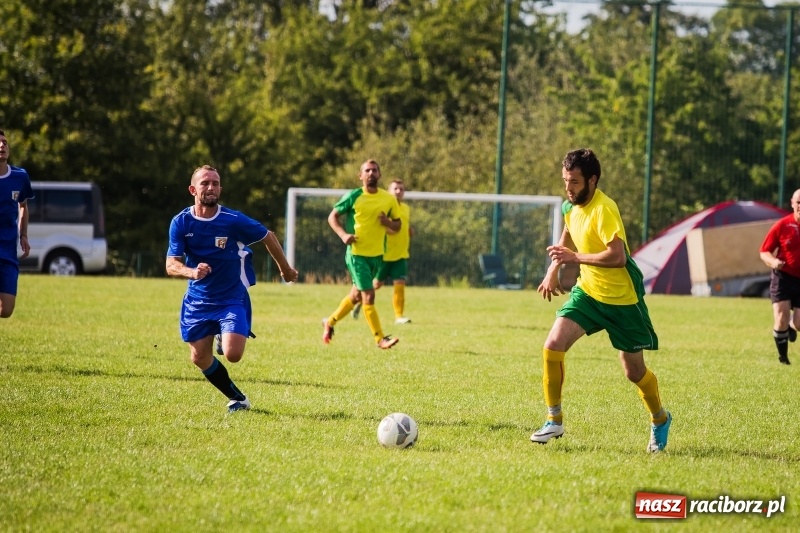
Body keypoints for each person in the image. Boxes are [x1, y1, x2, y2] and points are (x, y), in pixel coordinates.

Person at [532, 148, 671, 453]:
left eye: (575, 183)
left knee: (633, 372)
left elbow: (618, 256)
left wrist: (573, 257)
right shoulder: (572, 205)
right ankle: (554, 419)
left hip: (622, 300)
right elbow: (570, 227)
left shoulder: (605, 209)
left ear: (592, 181)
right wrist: (555, 267)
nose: (569, 189)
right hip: (589, 293)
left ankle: (659, 419)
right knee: (552, 346)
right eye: (566, 181)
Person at [167, 165, 298, 413]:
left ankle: (222, 333)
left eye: (215, 183)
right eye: (205, 183)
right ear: (193, 189)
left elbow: (267, 236)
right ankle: (238, 398)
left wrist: (285, 269)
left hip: (231, 298)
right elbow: (171, 264)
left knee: (233, 354)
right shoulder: (181, 222)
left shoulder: (232, 220)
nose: (211, 188)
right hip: (197, 300)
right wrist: (191, 272)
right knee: (198, 358)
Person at [322, 159, 401, 349]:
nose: (371, 173)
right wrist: (343, 235)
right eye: (367, 170)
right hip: (356, 254)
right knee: (369, 295)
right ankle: (380, 338)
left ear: (380, 174)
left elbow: (397, 225)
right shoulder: (354, 196)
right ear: (360, 176)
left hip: (377, 255)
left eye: (374, 170)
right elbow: (332, 216)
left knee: (356, 295)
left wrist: (387, 223)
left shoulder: (388, 199)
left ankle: (330, 322)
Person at [352, 179, 414, 324]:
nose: (398, 191)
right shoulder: (384, 207)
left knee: (400, 283)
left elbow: (403, 225)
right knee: (375, 285)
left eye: (401, 189)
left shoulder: (406, 208)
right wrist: (389, 227)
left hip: (401, 254)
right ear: (388, 191)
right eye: (395, 189)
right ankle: (358, 303)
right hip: (384, 254)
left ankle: (399, 316)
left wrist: (408, 230)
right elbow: (378, 227)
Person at [759, 188, 800, 365]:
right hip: (783, 277)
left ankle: (793, 326)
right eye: (798, 202)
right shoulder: (782, 225)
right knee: (781, 317)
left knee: (799, 324)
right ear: (792, 203)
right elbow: (764, 251)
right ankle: (783, 358)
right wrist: (774, 262)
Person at [0, 129, 33, 319]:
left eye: (5, 142)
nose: (2, 145)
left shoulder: (20, 177)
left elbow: (23, 206)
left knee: (6, 311)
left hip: (8, 251)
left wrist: (24, 235)